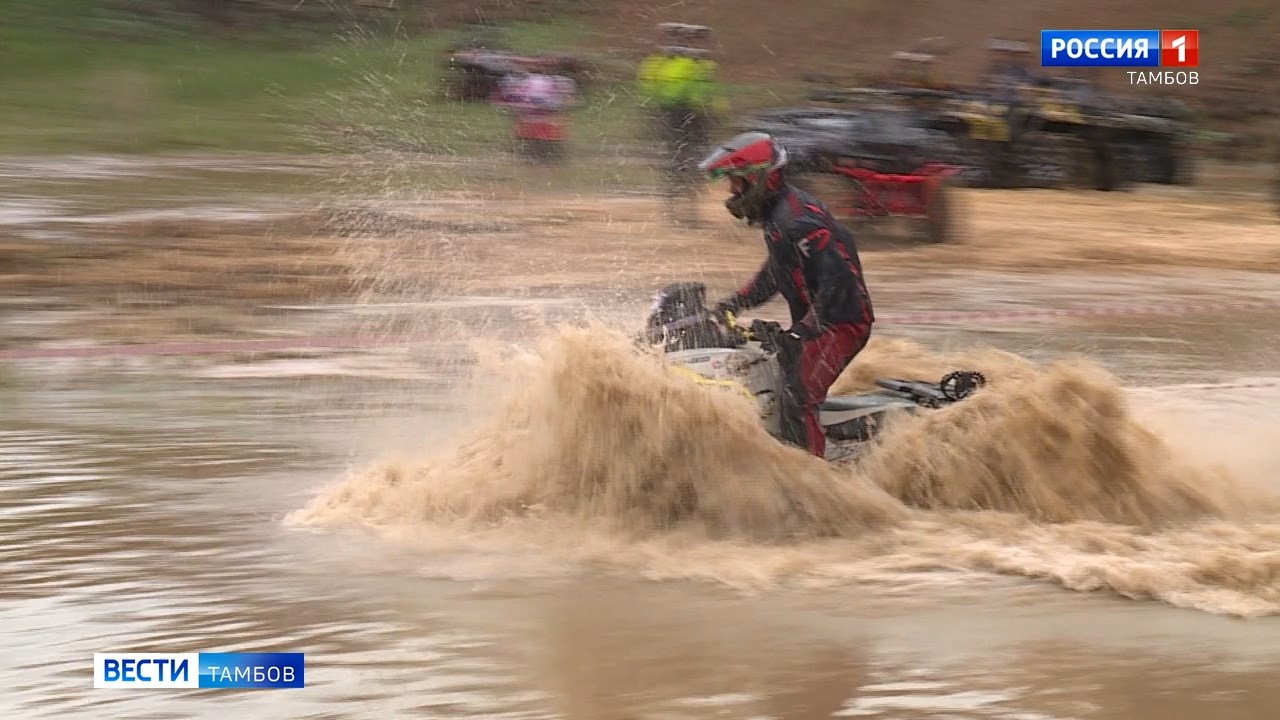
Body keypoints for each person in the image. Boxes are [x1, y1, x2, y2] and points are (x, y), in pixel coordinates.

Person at [699, 131, 875, 459]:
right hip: (819, 321)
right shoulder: (780, 218)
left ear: (761, 179)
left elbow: (836, 282)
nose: (731, 192)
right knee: (774, 380)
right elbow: (776, 274)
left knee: (798, 395)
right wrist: (733, 304)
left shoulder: (796, 221)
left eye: (736, 183)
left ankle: (812, 480)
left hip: (842, 323)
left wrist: (801, 331)